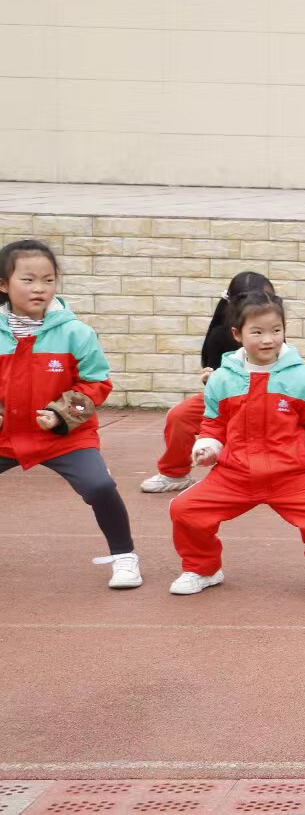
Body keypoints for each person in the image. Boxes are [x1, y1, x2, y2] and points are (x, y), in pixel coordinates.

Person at [168, 292, 305, 595]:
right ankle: (202, 570)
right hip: (235, 474)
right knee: (185, 509)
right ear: (238, 334)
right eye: (257, 332)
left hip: (293, 474)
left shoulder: (304, 379)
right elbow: (214, 423)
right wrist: (208, 446)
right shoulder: (221, 380)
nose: (268, 339)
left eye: (276, 330)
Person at [142, 271, 305, 498]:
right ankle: (174, 473)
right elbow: (216, 381)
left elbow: (285, 369)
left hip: (274, 394)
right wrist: (210, 379)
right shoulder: (219, 335)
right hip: (233, 398)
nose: (267, 337)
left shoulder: (270, 330)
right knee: (180, 416)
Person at [0, 239, 140, 589]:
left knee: (100, 485)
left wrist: (61, 415)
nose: (40, 288)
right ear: (3, 284)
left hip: (66, 435)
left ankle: (125, 557)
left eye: (48, 280)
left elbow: (96, 383)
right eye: (28, 280)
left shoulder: (76, 332)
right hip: (6, 434)